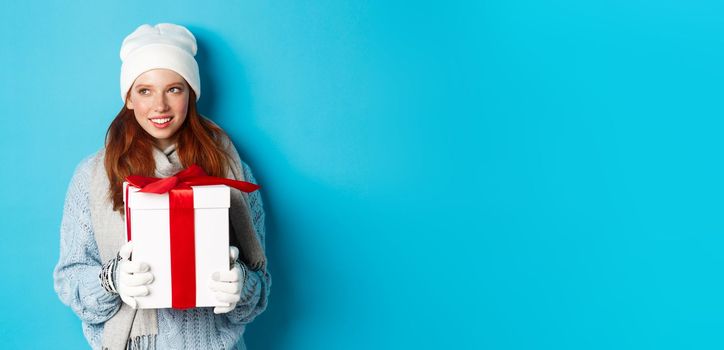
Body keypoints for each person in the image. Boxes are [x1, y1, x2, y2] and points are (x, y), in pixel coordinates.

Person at [53, 23, 271, 350]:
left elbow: (260, 285)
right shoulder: (93, 175)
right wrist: (111, 280)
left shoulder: (230, 168)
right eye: (145, 90)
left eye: (173, 89)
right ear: (128, 97)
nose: (160, 106)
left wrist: (240, 285)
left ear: (191, 94)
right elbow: (70, 278)